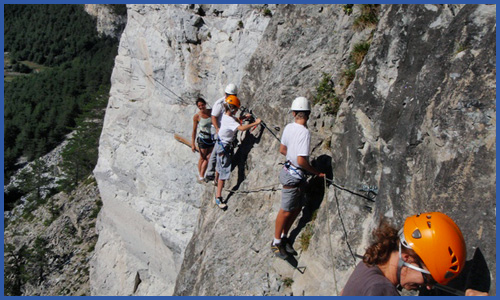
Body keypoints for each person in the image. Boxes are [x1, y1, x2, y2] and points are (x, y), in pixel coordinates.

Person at [341, 212, 489, 296]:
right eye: (428, 279)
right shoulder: (381, 290)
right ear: (407, 258)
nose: (429, 287)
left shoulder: (367, 266)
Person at [271, 97, 325, 259]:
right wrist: (316, 173)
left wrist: (293, 158)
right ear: (308, 114)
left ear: (294, 113)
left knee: (296, 208)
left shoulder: (288, 127)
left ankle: (285, 237)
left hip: (292, 172)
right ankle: (276, 242)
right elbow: (302, 160)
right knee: (287, 210)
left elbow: (282, 149)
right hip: (294, 176)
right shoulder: (305, 133)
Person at [214, 95, 261, 209]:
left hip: (220, 145)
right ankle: (218, 197)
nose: (236, 111)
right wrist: (256, 123)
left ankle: (215, 180)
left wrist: (245, 117)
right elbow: (241, 128)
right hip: (224, 147)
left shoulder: (225, 116)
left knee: (219, 166)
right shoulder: (230, 120)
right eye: (235, 108)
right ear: (232, 108)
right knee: (224, 173)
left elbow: (236, 120)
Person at [204, 83, 238, 182]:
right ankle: (210, 173)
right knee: (216, 151)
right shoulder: (220, 103)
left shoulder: (231, 102)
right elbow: (213, 117)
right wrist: (217, 128)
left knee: (220, 151)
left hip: (225, 128)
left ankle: (215, 173)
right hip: (218, 129)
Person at [191, 98, 215, 182]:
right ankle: (201, 175)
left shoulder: (211, 112)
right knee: (202, 158)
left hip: (211, 138)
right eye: (199, 106)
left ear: (205, 104)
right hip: (203, 139)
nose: (201, 107)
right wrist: (193, 144)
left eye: (202, 105)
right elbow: (194, 130)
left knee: (208, 157)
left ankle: (201, 174)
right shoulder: (197, 116)